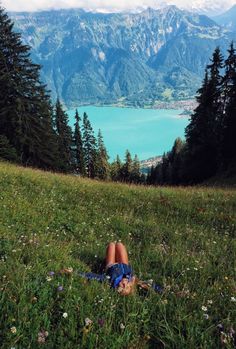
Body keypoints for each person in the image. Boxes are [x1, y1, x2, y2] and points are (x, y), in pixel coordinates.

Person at [78, 242, 162, 296]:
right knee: (119, 245)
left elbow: (92, 276)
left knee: (111, 245)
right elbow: (150, 285)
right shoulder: (133, 280)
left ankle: (106, 259)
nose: (124, 284)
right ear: (131, 286)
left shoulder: (110, 280)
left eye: (122, 287)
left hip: (111, 265)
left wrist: (76, 273)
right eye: (127, 287)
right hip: (124, 263)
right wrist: (162, 291)